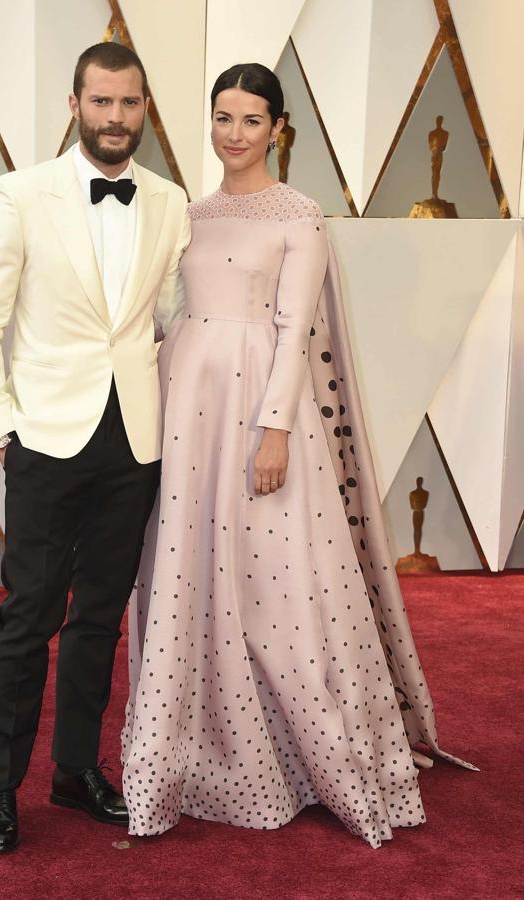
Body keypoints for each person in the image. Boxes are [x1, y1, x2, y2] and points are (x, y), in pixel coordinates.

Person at [121, 63, 474, 849]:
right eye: (221, 117)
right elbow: (167, 309)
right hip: (186, 404)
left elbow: (292, 329)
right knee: (187, 573)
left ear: (278, 129)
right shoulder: (189, 212)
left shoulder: (300, 216)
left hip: (257, 409)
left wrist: (273, 426)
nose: (233, 134)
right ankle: (191, 755)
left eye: (250, 120)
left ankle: (314, 756)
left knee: (276, 586)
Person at [0, 42, 190, 853]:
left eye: (129, 104)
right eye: (101, 103)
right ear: (74, 103)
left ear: (144, 109)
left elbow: (168, 318)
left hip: (134, 437)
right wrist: (1, 426)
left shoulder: (167, 200)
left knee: (99, 616)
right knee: (28, 617)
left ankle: (75, 768)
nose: (115, 118)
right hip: (46, 439)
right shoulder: (20, 193)